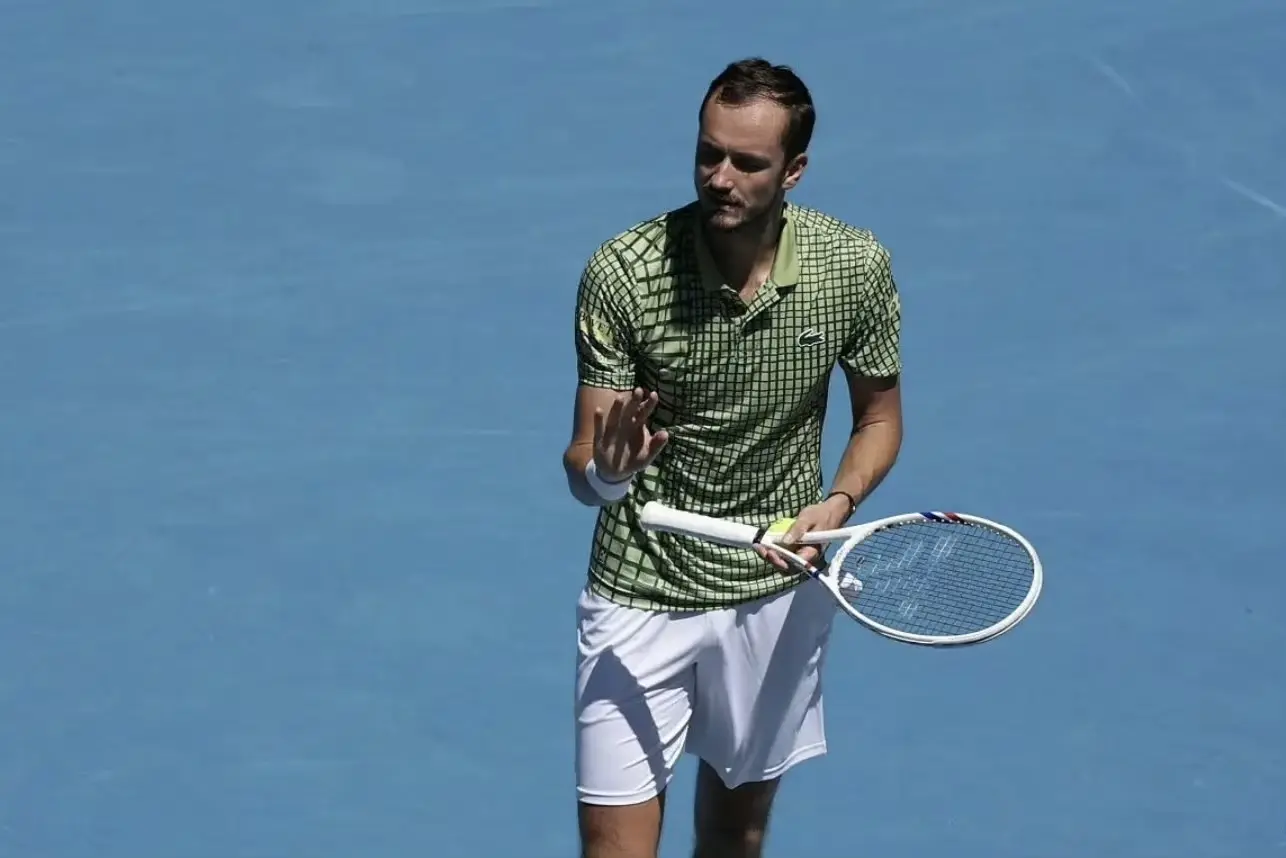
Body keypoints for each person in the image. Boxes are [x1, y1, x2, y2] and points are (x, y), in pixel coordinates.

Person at [561, 57, 904, 858]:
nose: (719, 177)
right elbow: (585, 465)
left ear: (794, 171)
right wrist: (612, 471)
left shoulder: (853, 267)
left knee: (733, 839)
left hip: (773, 591)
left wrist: (838, 503)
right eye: (707, 153)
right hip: (639, 591)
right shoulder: (626, 271)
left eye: (747, 162)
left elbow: (880, 420)